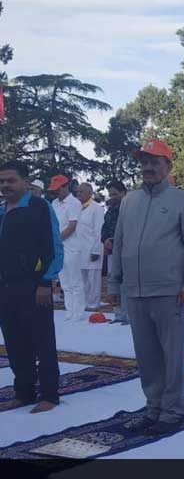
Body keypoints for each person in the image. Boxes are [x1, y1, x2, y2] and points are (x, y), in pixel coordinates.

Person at [108, 139, 184, 435]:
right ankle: (153, 407)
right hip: (135, 291)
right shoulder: (129, 202)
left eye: (155, 162)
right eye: (144, 162)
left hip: (170, 291)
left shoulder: (182, 200)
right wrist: (115, 281)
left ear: (168, 166)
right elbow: (120, 243)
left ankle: (173, 410)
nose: (148, 167)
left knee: (172, 354)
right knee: (147, 355)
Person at [0, 161, 63, 413]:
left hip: (34, 286)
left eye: (10, 180)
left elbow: (53, 247)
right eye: (2, 181)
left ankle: (49, 394)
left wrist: (45, 281)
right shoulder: (2, 211)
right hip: (5, 287)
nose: (5, 185)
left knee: (42, 340)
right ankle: (23, 391)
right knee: (14, 341)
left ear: (25, 182)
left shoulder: (39, 207)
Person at [50, 175, 85, 321]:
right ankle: (69, 311)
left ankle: (78, 312)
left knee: (75, 281)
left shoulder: (74, 203)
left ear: (66, 186)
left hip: (72, 247)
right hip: (59, 247)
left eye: (58, 189)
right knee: (64, 282)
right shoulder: (54, 203)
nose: (56, 192)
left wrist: (56, 240)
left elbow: (72, 226)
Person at [102, 181, 128, 324]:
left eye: (115, 194)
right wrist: (106, 239)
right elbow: (105, 226)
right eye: (110, 194)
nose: (112, 197)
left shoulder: (130, 207)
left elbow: (130, 229)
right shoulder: (111, 209)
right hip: (112, 251)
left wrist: (114, 239)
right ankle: (118, 314)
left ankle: (128, 315)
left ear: (123, 192)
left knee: (125, 282)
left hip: (126, 251)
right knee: (114, 281)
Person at [76, 183, 105, 312]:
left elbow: (99, 230)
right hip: (79, 249)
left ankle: (93, 304)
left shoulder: (97, 208)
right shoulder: (76, 207)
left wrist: (96, 250)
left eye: (81, 192)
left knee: (93, 279)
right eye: (77, 192)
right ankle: (83, 303)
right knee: (82, 279)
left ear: (89, 193)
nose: (78, 194)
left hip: (93, 248)